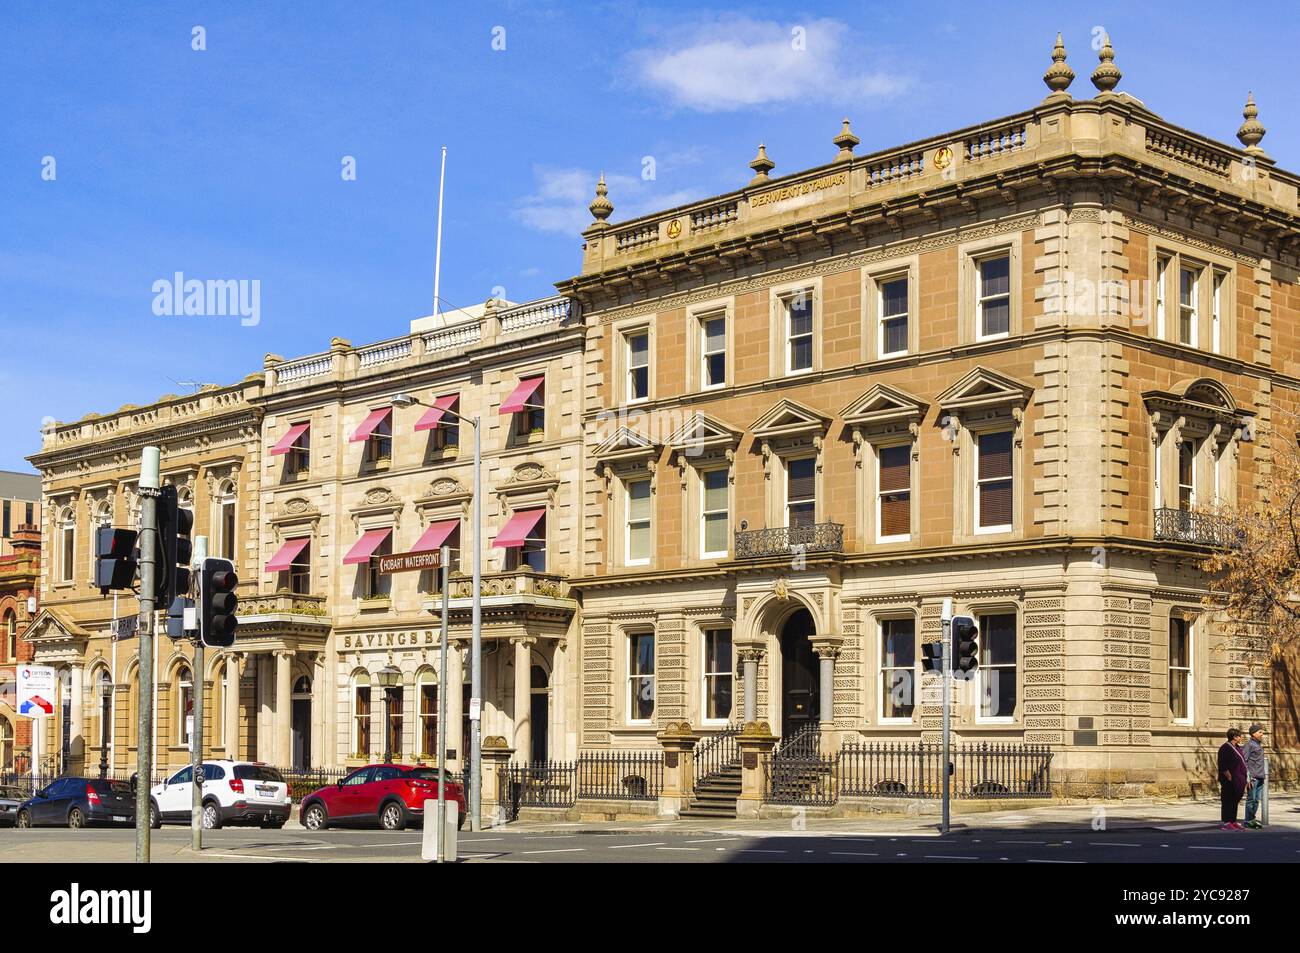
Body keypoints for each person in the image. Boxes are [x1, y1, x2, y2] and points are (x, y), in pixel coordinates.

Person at [1217, 727, 1248, 830]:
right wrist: (1229, 777)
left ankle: (1233, 820)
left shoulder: (1238, 748)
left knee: (1234, 801)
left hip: (1239, 779)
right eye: (1239, 736)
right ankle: (1226, 822)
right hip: (1229, 780)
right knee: (1227, 800)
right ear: (1234, 737)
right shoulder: (1225, 748)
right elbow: (1222, 764)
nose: (1241, 737)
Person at [1244, 723, 1268, 829]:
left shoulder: (1258, 745)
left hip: (1260, 776)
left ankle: (1252, 819)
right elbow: (1244, 761)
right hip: (1253, 777)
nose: (1262, 734)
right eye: (1260, 732)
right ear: (1253, 734)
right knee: (1251, 799)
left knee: (1256, 799)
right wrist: (1248, 777)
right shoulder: (1249, 745)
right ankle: (1248, 820)